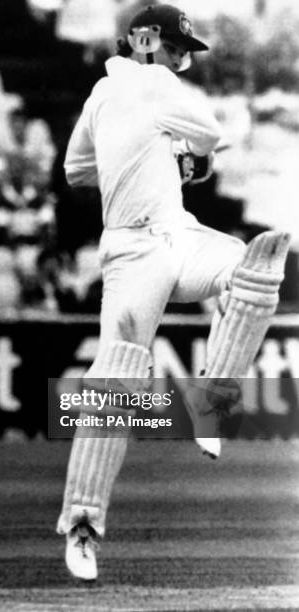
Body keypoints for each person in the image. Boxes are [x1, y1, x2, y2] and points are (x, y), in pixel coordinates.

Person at [56, 4, 290, 582]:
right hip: (136, 253)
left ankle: (211, 404)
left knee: (253, 268)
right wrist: (193, 158)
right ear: (144, 40)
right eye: (177, 47)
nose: (184, 59)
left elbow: (76, 170)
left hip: (175, 237)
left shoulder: (99, 96)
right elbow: (210, 135)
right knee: (119, 373)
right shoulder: (153, 81)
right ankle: (82, 523)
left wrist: (153, 156)